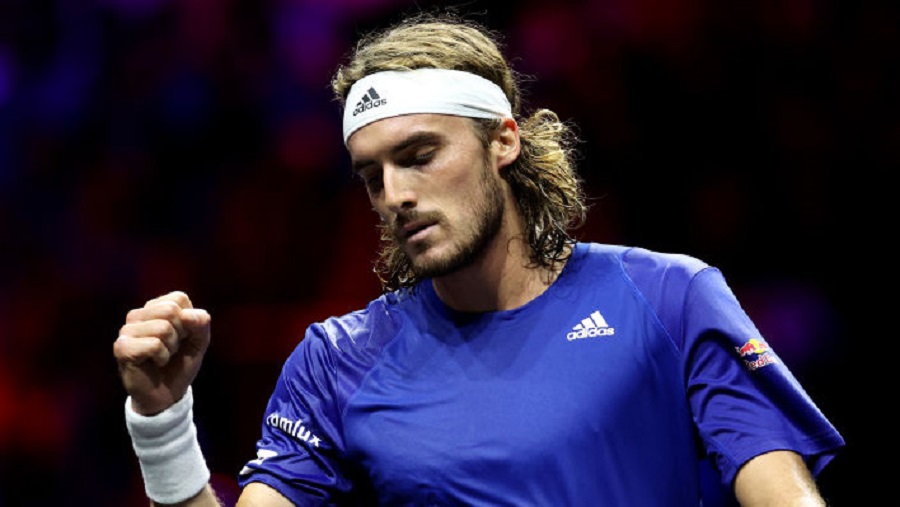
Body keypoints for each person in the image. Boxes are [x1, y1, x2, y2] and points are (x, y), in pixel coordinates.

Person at [113, 11, 845, 507]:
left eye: (420, 156)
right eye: (372, 176)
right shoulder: (336, 361)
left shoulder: (671, 296)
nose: (395, 195)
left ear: (503, 140)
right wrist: (163, 419)